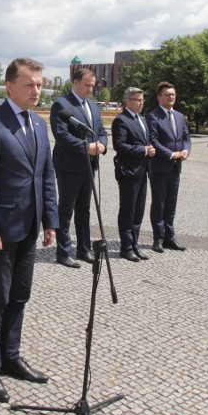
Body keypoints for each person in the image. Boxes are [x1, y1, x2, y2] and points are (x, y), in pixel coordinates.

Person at [0, 57, 58, 403]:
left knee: (20, 296)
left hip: (29, 227)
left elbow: (46, 177)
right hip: (0, 231)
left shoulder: (38, 124)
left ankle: (11, 357)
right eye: (30, 84)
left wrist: (51, 221)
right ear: (10, 86)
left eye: (39, 84)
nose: (37, 90)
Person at [49, 68, 108, 268]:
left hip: (90, 165)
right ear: (75, 83)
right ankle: (63, 252)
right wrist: (86, 147)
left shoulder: (93, 105)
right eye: (87, 85)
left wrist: (102, 144)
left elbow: (101, 130)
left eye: (93, 86)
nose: (90, 89)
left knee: (84, 210)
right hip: (69, 166)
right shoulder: (62, 105)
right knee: (66, 210)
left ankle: (84, 248)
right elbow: (62, 135)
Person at [112, 87, 156, 261]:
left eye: (143, 100)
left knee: (138, 211)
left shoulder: (142, 120)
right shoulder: (121, 120)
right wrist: (143, 150)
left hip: (143, 171)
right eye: (138, 100)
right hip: (129, 172)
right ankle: (126, 247)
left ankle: (135, 244)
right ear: (128, 101)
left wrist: (149, 149)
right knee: (128, 211)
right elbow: (119, 145)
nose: (142, 103)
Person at [147, 81, 190, 253]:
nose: (171, 97)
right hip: (159, 167)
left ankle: (169, 238)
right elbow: (153, 140)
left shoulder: (179, 116)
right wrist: (171, 154)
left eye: (173, 94)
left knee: (171, 204)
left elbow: (186, 136)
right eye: (167, 94)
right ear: (159, 97)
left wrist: (186, 150)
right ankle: (158, 238)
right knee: (159, 203)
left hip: (175, 168)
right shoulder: (153, 116)